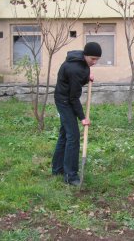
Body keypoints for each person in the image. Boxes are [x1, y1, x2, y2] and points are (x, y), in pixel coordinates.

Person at [52, 42, 102, 186]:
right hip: (65, 101)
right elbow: (73, 98)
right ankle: (71, 176)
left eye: (97, 59)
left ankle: (57, 169)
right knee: (73, 136)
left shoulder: (78, 59)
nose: (94, 62)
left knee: (64, 135)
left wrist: (87, 78)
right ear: (85, 55)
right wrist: (83, 118)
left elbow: (76, 79)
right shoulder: (75, 68)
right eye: (92, 59)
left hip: (64, 97)